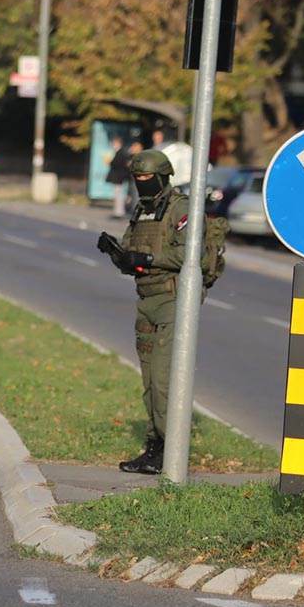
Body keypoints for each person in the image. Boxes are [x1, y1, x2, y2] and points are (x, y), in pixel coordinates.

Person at [99, 149, 226, 474]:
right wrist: (119, 255)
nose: (142, 184)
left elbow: (190, 257)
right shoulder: (142, 210)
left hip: (173, 301)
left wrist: (147, 260)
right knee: (147, 379)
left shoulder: (181, 209)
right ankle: (154, 446)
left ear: (163, 177)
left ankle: (171, 451)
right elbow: (134, 252)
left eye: (146, 179)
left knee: (164, 380)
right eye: (137, 179)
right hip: (146, 299)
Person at [105, 136, 130, 219]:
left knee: (118, 195)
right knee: (118, 195)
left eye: (114, 143)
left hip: (118, 177)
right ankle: (118, 212)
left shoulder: (120, 152)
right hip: (119, 178)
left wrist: (110, 162)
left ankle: (119, 212)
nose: (113, 145)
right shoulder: (120, 152)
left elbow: (117, 164)